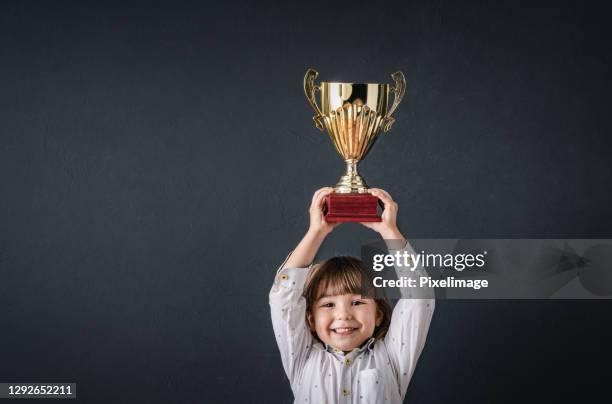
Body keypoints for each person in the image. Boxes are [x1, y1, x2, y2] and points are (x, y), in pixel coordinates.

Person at [269, 187, 435, 403]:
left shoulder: (392, 358)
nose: (343, 314)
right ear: (310, 319)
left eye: (357, 302)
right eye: (329, 304)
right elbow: (284, 296)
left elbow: (419, 298)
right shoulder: (303, 358)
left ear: (378, 314)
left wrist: (389, 231)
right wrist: (316, 233)